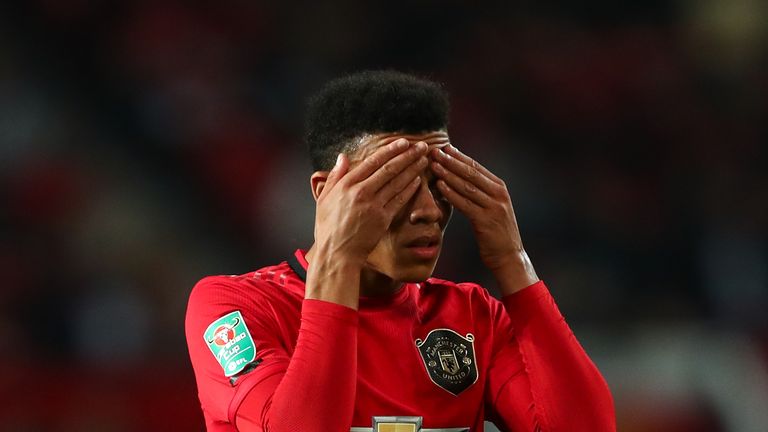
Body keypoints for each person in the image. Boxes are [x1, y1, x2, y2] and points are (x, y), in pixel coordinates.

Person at [185, 70, 615, 432]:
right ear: (327, 193)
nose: (427, 211)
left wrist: (512, 261)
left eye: (437, 183)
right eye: (397, 186)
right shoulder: (235, 309)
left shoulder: (471, 317)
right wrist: (339, 258)